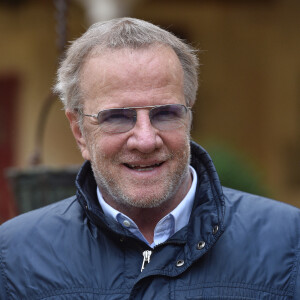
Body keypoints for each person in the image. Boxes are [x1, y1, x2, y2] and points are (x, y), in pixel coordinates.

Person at [0, 17, 299, 300]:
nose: (145, 140)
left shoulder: (288, 243)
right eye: (116, 117)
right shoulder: (14, 255)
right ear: (79, 131)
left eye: (165, 113)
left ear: (189, 114)